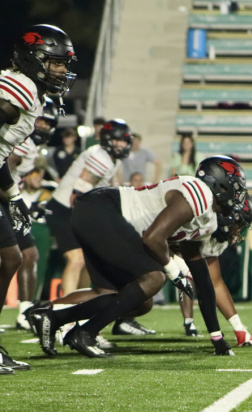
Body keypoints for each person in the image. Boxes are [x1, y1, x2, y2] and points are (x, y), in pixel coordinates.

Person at [31, 156, 246, 358]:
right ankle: (85, 333)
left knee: (137, 301)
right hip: (102, 210)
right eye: (235, 188)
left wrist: (217, 338)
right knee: (154, 278)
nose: (238, 195)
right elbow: (152, 238)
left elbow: (204, 282)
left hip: (101, 216)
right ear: (218, 184)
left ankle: (54, 318)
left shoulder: (207, 220)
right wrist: (174, 272)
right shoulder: (199, 193)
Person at [0, 24, 77, 374]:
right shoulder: (20, 85)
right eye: (55, 63)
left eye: (64, 64)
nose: (61, 70)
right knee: (11, 257)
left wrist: (13, 196)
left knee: (12, 258)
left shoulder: (31, 90)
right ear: (33, 60)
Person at [45, 119, 131, 296]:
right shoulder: (100, 157)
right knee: (76, 259)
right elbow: (77, 196)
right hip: (64, 209)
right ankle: (66, 307)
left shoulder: (111, 159)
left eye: (124, 141)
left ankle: (83, 302)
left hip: (76, 211)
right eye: (119, 140)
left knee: (90, 260)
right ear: (108, 139)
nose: (123, 144)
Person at [177, 196, 252, 346]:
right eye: (237, 224)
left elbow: (215, 283)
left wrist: (239, 328)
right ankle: (188, 321)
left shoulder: (216, 234)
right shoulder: (201, 220)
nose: (238, 231)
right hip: (148, 245)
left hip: (165, 251)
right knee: (157, 279)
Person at [8, 97, 59, 330]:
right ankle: (24, 311)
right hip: (6, 200)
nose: (44, 127)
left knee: (27, 255)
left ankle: (25, 311)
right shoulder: (24, 141)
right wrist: (14, 199)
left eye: (48, 123)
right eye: (40, 121)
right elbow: (6, 166)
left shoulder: (31, 144)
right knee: (22, 256)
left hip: (7, 200)